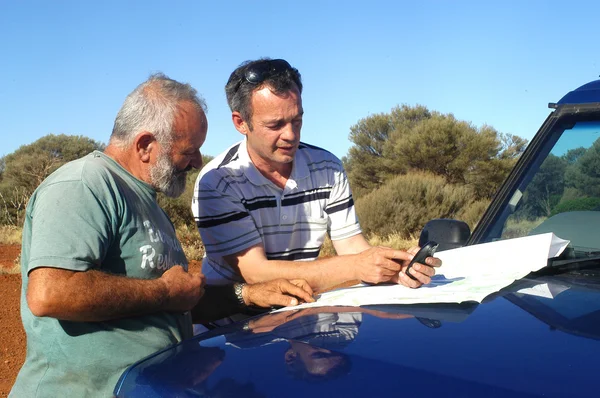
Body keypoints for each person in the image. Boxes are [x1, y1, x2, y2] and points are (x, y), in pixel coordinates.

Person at [10, 73, 314, 398]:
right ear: (144, 146)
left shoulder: (148, 203)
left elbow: (175, 300)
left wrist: (247, 295)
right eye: (190, 150)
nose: (198, 161)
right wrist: (163, 293)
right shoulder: (84, 184)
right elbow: (50, 292)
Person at [192, 58, 441, 292]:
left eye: (297, 121)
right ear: (240, 122)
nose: (290, 135)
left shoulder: (327, 167)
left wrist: (396, 268)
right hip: (233, 326)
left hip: (300, 314)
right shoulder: (218, 181)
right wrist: (357, 266)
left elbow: (352, 247)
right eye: (275, 125)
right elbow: (255, 273)